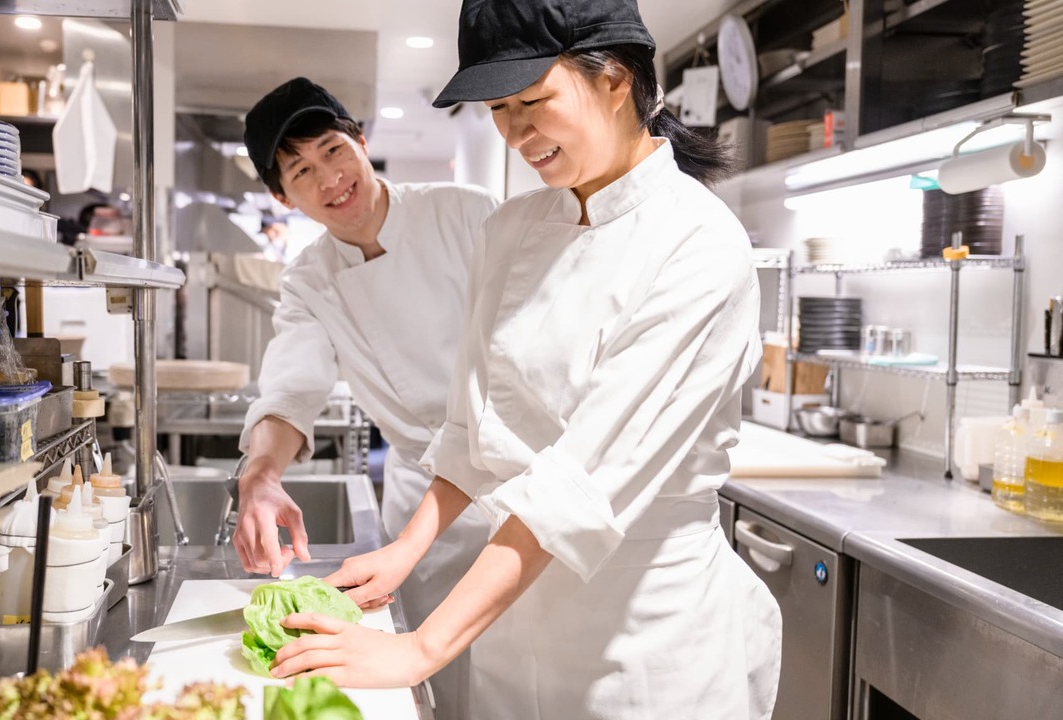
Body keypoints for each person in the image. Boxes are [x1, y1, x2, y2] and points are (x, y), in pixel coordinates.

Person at [268, 2, 783, 719]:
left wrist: (421, 649)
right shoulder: (513, 228)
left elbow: (580, 488)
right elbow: (474, 429)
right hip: (516, 631)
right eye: (498, 110)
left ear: (615, 78)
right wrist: (406, 551)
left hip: (644, 643)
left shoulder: (698, 245)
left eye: (532, 102)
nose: (514, 133)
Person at [234, 77, 499, 720]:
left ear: (359, 140)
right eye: (300, 169)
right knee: (440, 687)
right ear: (282, 196)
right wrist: (261, 474)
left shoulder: (471, 213)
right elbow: (294, 384)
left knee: (519, 675)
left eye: (332, 150)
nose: (328, 177)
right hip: (423, 508)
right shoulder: (308, 280)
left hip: (519, 481)